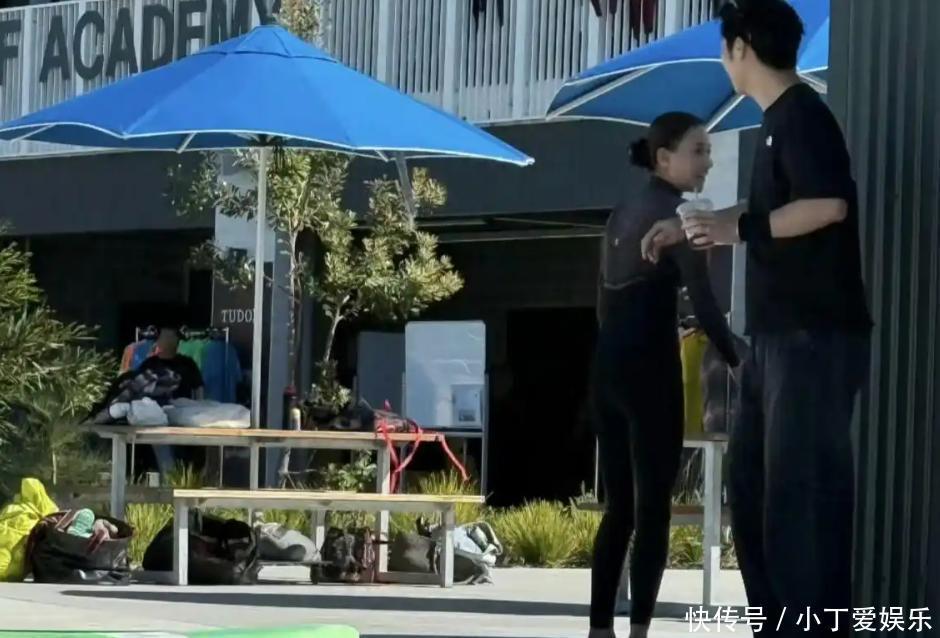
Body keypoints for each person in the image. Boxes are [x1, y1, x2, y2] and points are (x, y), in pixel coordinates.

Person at [641, 2, 872, 635]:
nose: (723, 60)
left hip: (813, 339)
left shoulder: (803, 116)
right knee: (753, 494)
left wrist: (736, 229)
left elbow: (827, 206)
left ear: (742, 47)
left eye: (725, 48)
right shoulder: (776, 123)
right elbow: (774, 206)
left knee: (799, 503)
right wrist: (701, 225)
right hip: (776, 339)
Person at [589, 112, 740, 638]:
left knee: (619, 510)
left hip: (607, 367)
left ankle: (599, 629)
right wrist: (741, 362)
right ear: (664, 158)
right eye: (698, 150)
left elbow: (603, 302)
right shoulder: (679, 215)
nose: (708, 161)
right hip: (651, 370)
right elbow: (707, 307)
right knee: (652, 511)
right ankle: (638, 631)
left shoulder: (621, 212)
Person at [137, 327, 205, 474]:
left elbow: (199, 388)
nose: (168, 341)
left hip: (183, 417)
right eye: (165, 337)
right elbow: (137, 389)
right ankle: (169, 481)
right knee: (164, 457)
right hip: (157, 418)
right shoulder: (149, 364)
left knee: (184, 457)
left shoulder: (187, 363)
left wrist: (199, 410)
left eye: (171, 338)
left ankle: (178, 480)